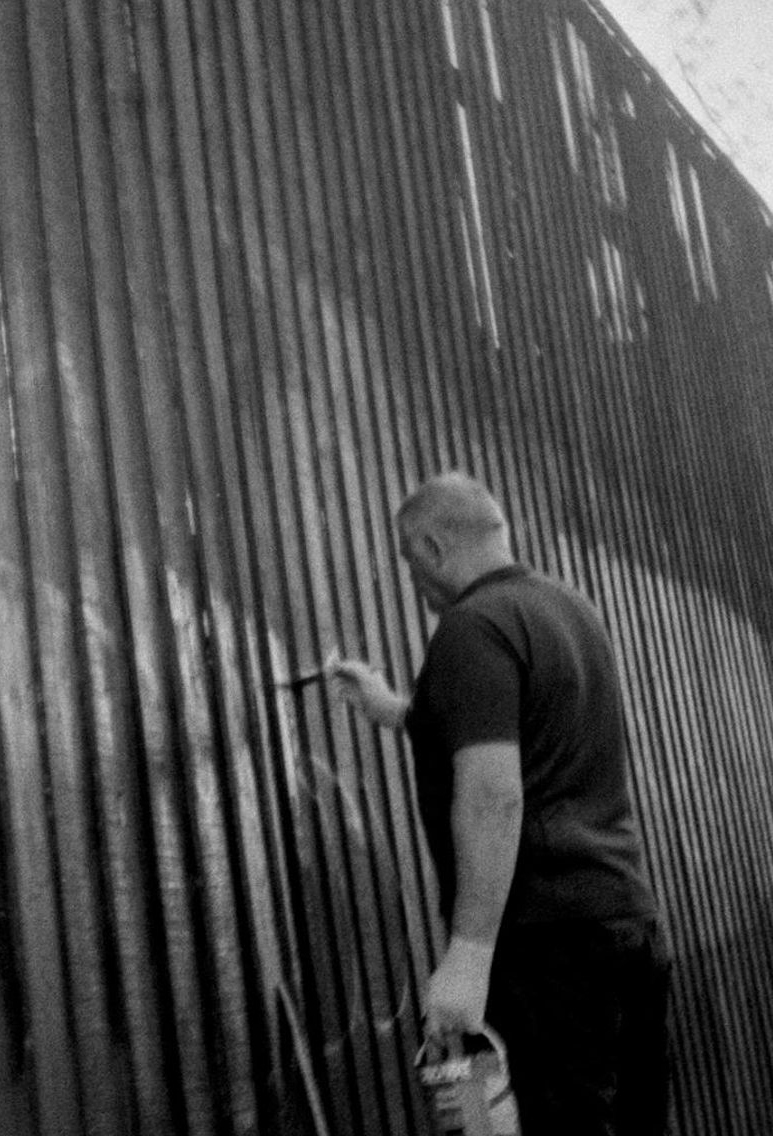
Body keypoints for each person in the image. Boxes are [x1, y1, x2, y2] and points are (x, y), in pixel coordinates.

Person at [293, 471, 670, 1135]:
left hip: (547, 947)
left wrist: (467, 958)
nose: (412, 582)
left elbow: (495, 794)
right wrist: (394, 710)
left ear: (434, 548)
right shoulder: (569, 611)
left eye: (409, 563)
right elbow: (522, 736)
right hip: (624, 923)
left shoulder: (471, 630)